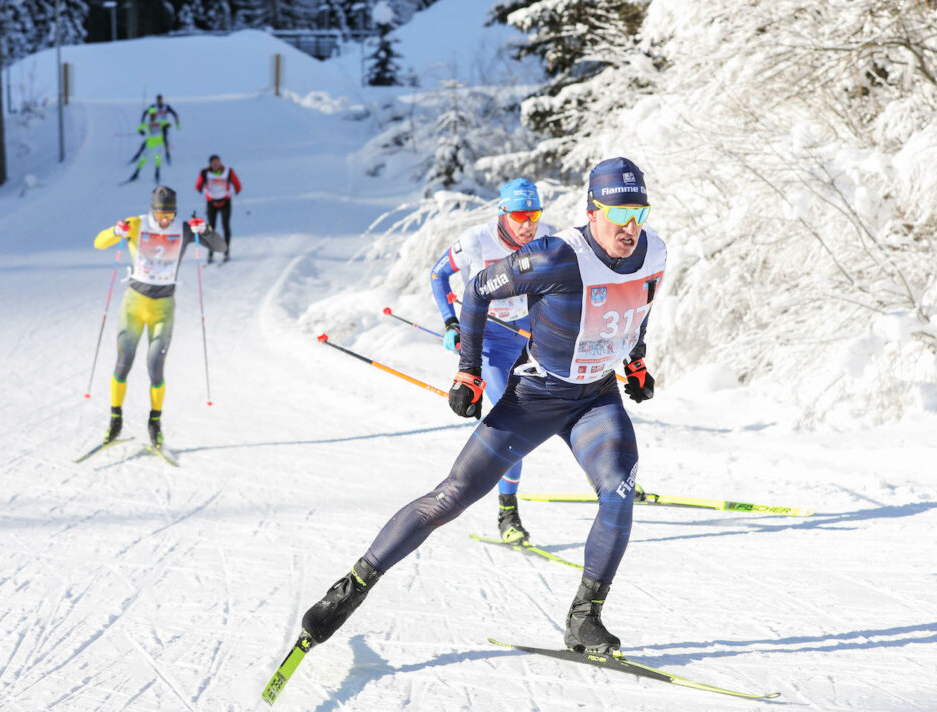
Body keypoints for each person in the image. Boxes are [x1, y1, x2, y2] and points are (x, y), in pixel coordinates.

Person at [298, 156, 665, 656]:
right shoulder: (554, 256)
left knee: (619, 492)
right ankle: (351, 587)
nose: (631, 227)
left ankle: (585, 620)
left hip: (596, 397)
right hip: (536, 395)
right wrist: (468, 370)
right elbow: (476, 290)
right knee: (451, 496)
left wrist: (636, 362)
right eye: (619, 215)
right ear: (592, 210)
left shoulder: (654, 252)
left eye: (639, 214)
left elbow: (637, 308)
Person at [429, 177, 554, 543]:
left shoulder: (547, 235)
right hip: (492, 343)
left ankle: (611, 484)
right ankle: (507, 511)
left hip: (532, 339)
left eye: (533, 214)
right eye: (519, 215)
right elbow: (439, 275)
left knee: (575, 405)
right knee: (511, 426)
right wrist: (451, 322)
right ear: (503, 213)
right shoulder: (475, 241)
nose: (528, 223)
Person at [93, 185, 226, 454]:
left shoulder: (184, 228)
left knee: (155, 366)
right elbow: (99, 242)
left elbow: (221, 247)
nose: (165, 220)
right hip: (134, 304)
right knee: (123, 364)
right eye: (160, 214)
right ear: (152, 210)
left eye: (169, 214)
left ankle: (155, 425)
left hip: (164, 307)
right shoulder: (135, 224)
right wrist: (115, 232)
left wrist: (206, 231)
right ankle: (115, 420)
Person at [195, 155, 242, 262]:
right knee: (211, 228)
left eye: (218, 162)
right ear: (210, 164)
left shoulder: (228, 172)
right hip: (211, 202)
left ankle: (226, 251)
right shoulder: (205, 173)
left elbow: (237, 183)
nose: (216, 164)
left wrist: (237, 189)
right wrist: (201, 187)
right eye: (214, 163)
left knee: (225, 226)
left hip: (225, 202)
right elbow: (198, 185)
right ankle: (211, 252)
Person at [127, 112, 171, 184]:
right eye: (151, 115)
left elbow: (167, 124)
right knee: (144, 158)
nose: (153, 116)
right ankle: (136, 173)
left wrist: (166, 126)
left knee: (157, 157)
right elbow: (140, 128)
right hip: (150, 143)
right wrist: (141, 131)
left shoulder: (160, 121)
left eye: (154, 115)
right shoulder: (147, 122)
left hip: (158, 143)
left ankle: (157, 173)